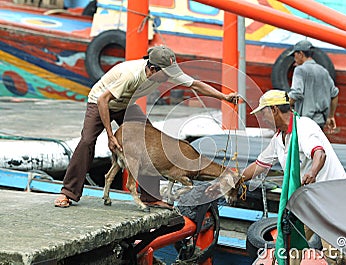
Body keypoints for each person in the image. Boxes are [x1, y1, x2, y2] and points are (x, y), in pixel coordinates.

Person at [54, 45, 239, 208]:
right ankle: (68, 192)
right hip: (101, 103)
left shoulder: (166, 71)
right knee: (87, 142)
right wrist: (110, 136)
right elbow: (104, 100)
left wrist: (224, 97)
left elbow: (196, 85)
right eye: (165, 74)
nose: (168, 78)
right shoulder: (131, 74)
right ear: (151, 69)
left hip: (126, 105)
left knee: (151, 139)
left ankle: (150, 197)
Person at [243, 90, 346, 265]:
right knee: (287, 244)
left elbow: (319, 154)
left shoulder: (304, 127)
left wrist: (312, 173)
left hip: (331, 198)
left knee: (335, 257)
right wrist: (234, 179)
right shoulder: (279, 138)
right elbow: (259, 165)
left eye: (264, 113)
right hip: (307, 201)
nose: (263, 119)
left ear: (274, 110)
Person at [287, 39, 339, 133]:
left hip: (305, 123)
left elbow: (296, 93)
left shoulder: (300, 70)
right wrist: (330, 116)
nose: (294, 59)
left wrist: (283, 106)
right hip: (320, 122)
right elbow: (334, 94)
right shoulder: (323, 71)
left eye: (294, 55)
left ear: (301, 54)